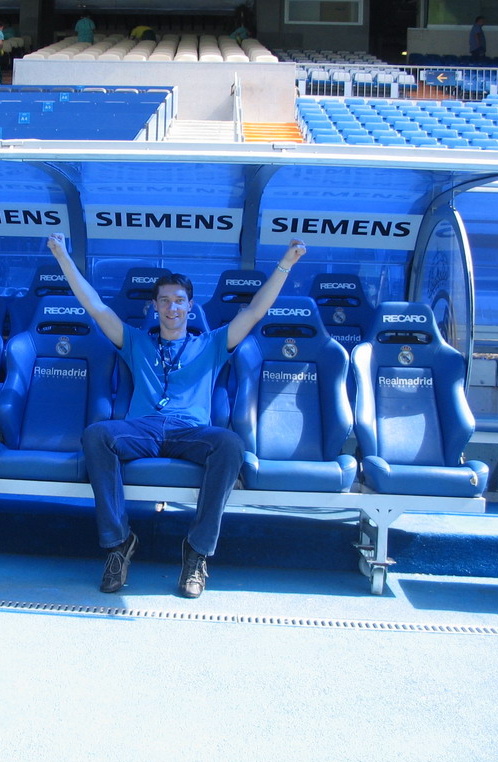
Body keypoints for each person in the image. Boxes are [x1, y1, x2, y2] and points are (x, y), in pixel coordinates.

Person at [46, 233, 307, 598]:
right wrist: (62, 256)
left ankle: (196, 553)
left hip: (191, 431)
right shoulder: (137, 341)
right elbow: (96, 308)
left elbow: (254, 312)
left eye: (179, 301)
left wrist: (286, 263)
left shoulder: (212, 343)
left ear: (190, 306)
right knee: (96, 435)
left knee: (230, 444)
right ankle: (118, 544)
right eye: (165, 301)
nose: (172, 308)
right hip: (144, 428)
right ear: (154, 306)